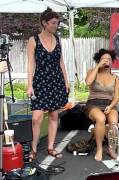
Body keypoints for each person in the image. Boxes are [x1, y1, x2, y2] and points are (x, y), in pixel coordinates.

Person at [26, 7, 69, 161]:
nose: (56, 26)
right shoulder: (33, 40)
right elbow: (31, 64)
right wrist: (29, 85)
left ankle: (50, 147)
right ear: (44, 23)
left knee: (54, 115)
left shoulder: (57, 39)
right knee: (36, 117)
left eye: (57, 23)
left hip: (56, 81)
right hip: (40, 81)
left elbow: (61, 62)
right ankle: (34, 149)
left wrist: (66, 81)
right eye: (53, 23)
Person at [84, 49, 119, 161]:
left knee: (114, 121)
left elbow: (117, 97)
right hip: (93, 103)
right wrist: (97, 66)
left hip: (109, 104)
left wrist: (110, 106)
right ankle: (99, 149)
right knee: (101, 118)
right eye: (104, 59)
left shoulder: (116, 77)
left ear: (112, 61)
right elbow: (88, 82)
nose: (107, 61)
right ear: (99, 60)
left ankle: (111, 148)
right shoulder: (92, 72)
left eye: (109, 59)